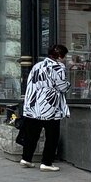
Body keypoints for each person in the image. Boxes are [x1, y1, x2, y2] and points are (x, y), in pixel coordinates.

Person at [20, 43, 70, 172]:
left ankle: (26, 158)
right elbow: (62, 87)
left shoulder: (37, 66)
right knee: (52, 136)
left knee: (32, 135)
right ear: (59, 56)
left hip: (32, 105)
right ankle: (46, 162)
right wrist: (68, 84)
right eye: (64, 55)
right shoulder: (58, 67)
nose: (64, 58)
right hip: (49, 107)